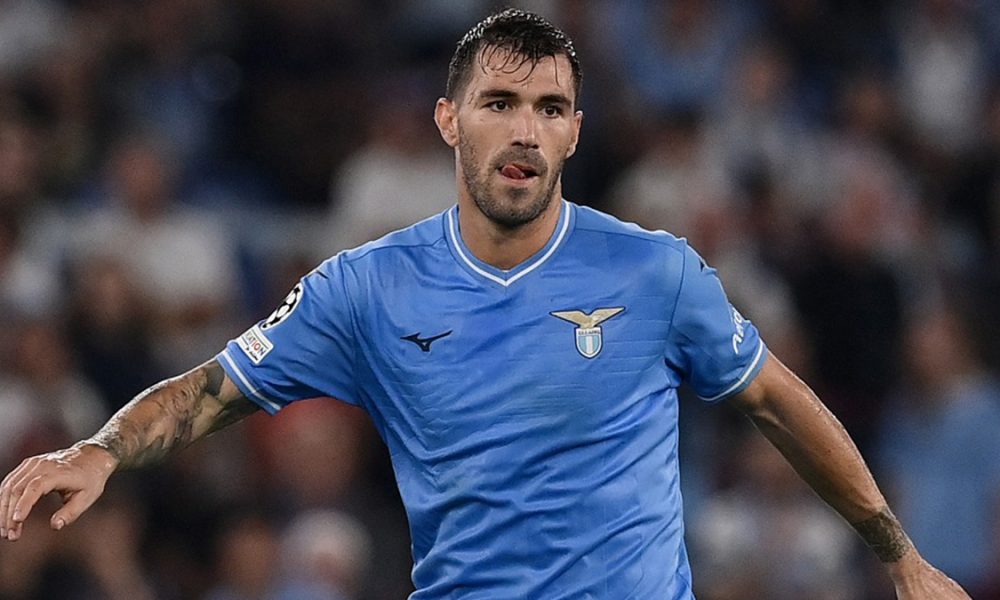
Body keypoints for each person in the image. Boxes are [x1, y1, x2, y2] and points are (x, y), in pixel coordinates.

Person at [0, 9, 971, 599]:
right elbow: (213, 391)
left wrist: (898, 555)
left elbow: (778, 402)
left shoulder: (655, 272)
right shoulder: (365, 288)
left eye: (549, 109)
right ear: (447, 120)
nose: (524, 131)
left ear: (575, 132)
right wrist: (101, 450)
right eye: (499, 103)